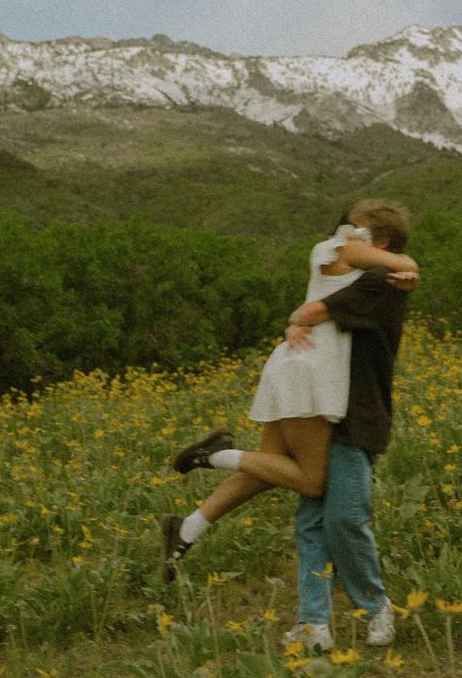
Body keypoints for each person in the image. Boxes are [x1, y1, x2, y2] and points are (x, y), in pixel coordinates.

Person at [160, 200, 417, 588]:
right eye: (350, 228)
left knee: (268, 468)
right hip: (310, 376)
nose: (348, 232)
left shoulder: (358, 267)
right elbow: (402, 264)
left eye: (357, 228)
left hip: (296, 366)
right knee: (311, 482)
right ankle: (217, 455)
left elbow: (387, 270)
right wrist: (408, 269)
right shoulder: (341, 248)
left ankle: (186, 530)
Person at [282, 199, 415, 651]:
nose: (342, 241)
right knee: (313, 520)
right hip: (322, 407)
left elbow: (314, 312)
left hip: (357, 413)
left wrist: (298, 317)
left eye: (354, 235)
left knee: (345, 518)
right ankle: (313, 621)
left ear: (379, 246)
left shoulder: (383, 282)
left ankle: (376, 606)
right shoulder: (361, 275)